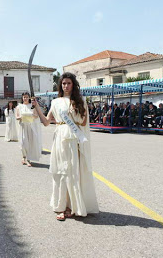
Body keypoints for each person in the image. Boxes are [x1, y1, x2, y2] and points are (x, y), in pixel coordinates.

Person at [33, 72, 99, 221]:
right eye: (63, 83)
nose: (66, 86)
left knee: (72, 172)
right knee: (60, 172)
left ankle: (72, 206)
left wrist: (74, 113)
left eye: (68, 83)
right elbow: (46, 122)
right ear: (60, 85)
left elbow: (83, 123)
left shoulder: (81, 100)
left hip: (73, 139)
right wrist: (37, 107)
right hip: (60, 139)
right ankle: (61, 207)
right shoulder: (56, 102)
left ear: (73, 85)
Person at [15, 92, 41, 167]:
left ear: (29, 98)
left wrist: (31, 115)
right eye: (24, 97)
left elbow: (36, 116)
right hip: (23, 126)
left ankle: (27, 159)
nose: (25, 98)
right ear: (22, 98)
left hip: (31, 126)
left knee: (29, 142)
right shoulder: (19, 107)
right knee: (23, 142)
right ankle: (24, 156)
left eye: (27, 97)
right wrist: (22, 117)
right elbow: (17, 117)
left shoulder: (32, 106)